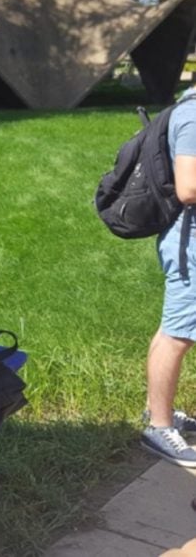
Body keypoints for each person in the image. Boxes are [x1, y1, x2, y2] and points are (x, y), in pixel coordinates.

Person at [141, 88, 196, 468]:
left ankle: (158, 410)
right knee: (178, 333)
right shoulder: (194, 115)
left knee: (177, 330)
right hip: (189, 244)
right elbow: (188, 187)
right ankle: (158, 427)